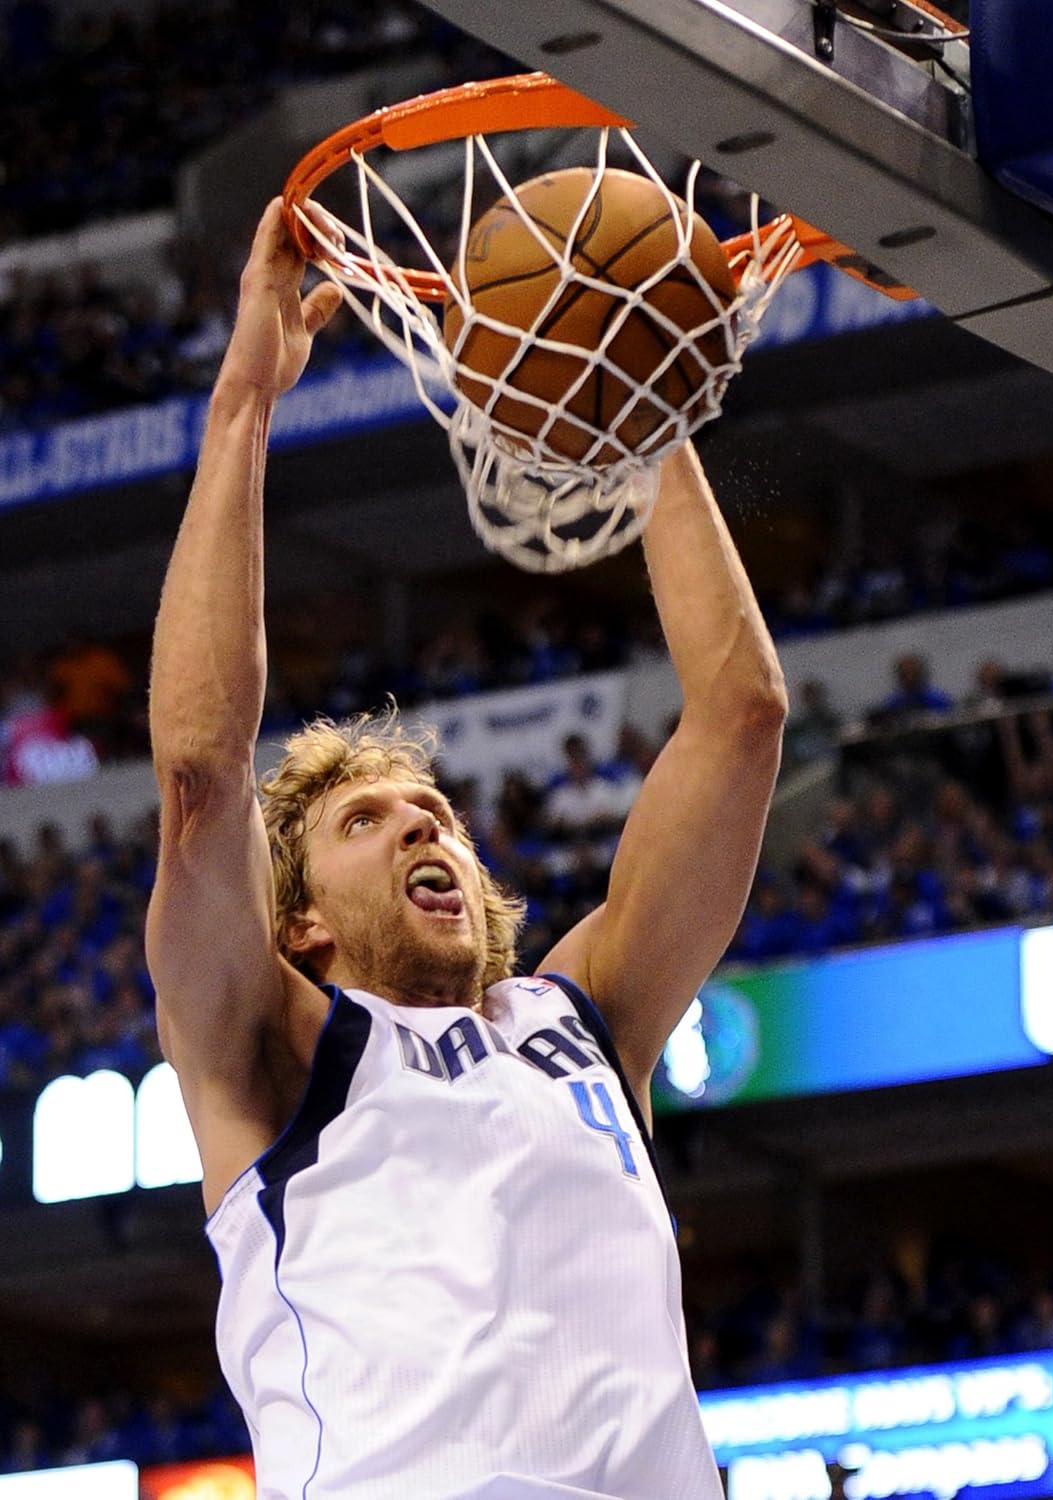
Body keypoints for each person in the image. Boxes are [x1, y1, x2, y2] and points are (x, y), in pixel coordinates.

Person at [145, 199, 787, 1500]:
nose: (421, 823)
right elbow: (204, 780)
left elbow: (740, 718)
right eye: (364, 823)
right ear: (299, 923)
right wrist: (244, 411)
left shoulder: (584, 1011)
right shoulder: (272, 1050)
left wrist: (638, 399)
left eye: (428, 809)